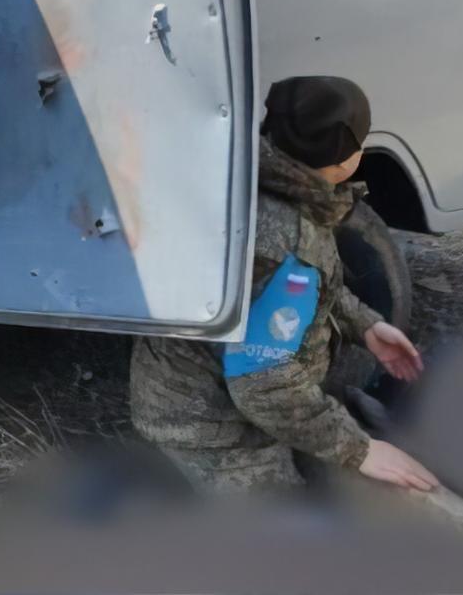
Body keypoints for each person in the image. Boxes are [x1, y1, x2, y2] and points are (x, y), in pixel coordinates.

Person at [131, 76, 439, 493]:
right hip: (209, 419)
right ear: (346, 158)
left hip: (189, 381)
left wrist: (365, 325)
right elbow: (260, 381)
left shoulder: (258, 179)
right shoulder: (286, 236)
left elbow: (300, 287)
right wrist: (360, 450)